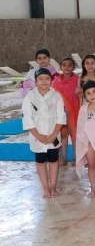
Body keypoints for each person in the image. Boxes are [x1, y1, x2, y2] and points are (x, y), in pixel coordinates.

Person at [22, 68, 66, 198]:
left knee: (53, 160)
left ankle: (53, 187)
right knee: (40, 162)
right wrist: (38, 136)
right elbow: (27, 119)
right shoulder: (30, 97)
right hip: (37, 136)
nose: (44, 81)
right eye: (40, 79)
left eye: (47, 78)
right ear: (35, 81)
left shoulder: (56, 96)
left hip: (53, 134)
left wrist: (54, 135)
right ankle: (46, 188)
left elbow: (61, 117)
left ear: (51, 80)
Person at [52, 57, 80, 166]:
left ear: (73, 67)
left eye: (69, 65)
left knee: (74, 135)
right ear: (60, 67)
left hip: (75, 111)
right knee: (63, 135)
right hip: (60, 112)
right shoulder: (56, 80)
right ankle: (63, 158)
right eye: (64, 65)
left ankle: (76, 158)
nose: (67, 67)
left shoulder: (77, 79)